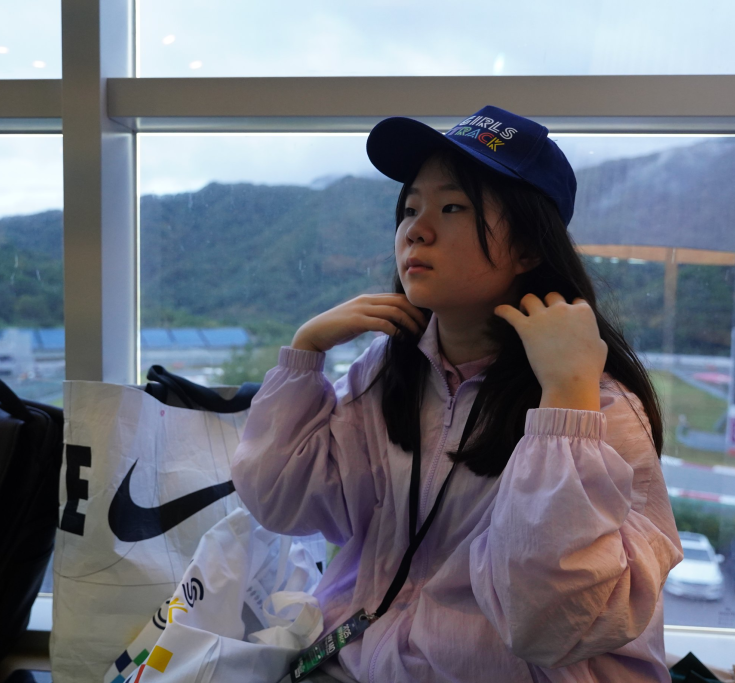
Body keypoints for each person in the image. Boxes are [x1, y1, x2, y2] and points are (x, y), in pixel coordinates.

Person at [231, 105, 683, 683]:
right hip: (359, 661)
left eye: (452, 208)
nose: (416, 230)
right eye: (410, 208)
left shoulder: (598, 406)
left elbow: (549, 624)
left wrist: (566, 400)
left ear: (528, 247)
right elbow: (280, 503)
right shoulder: (390, 371)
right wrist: (304, 354)